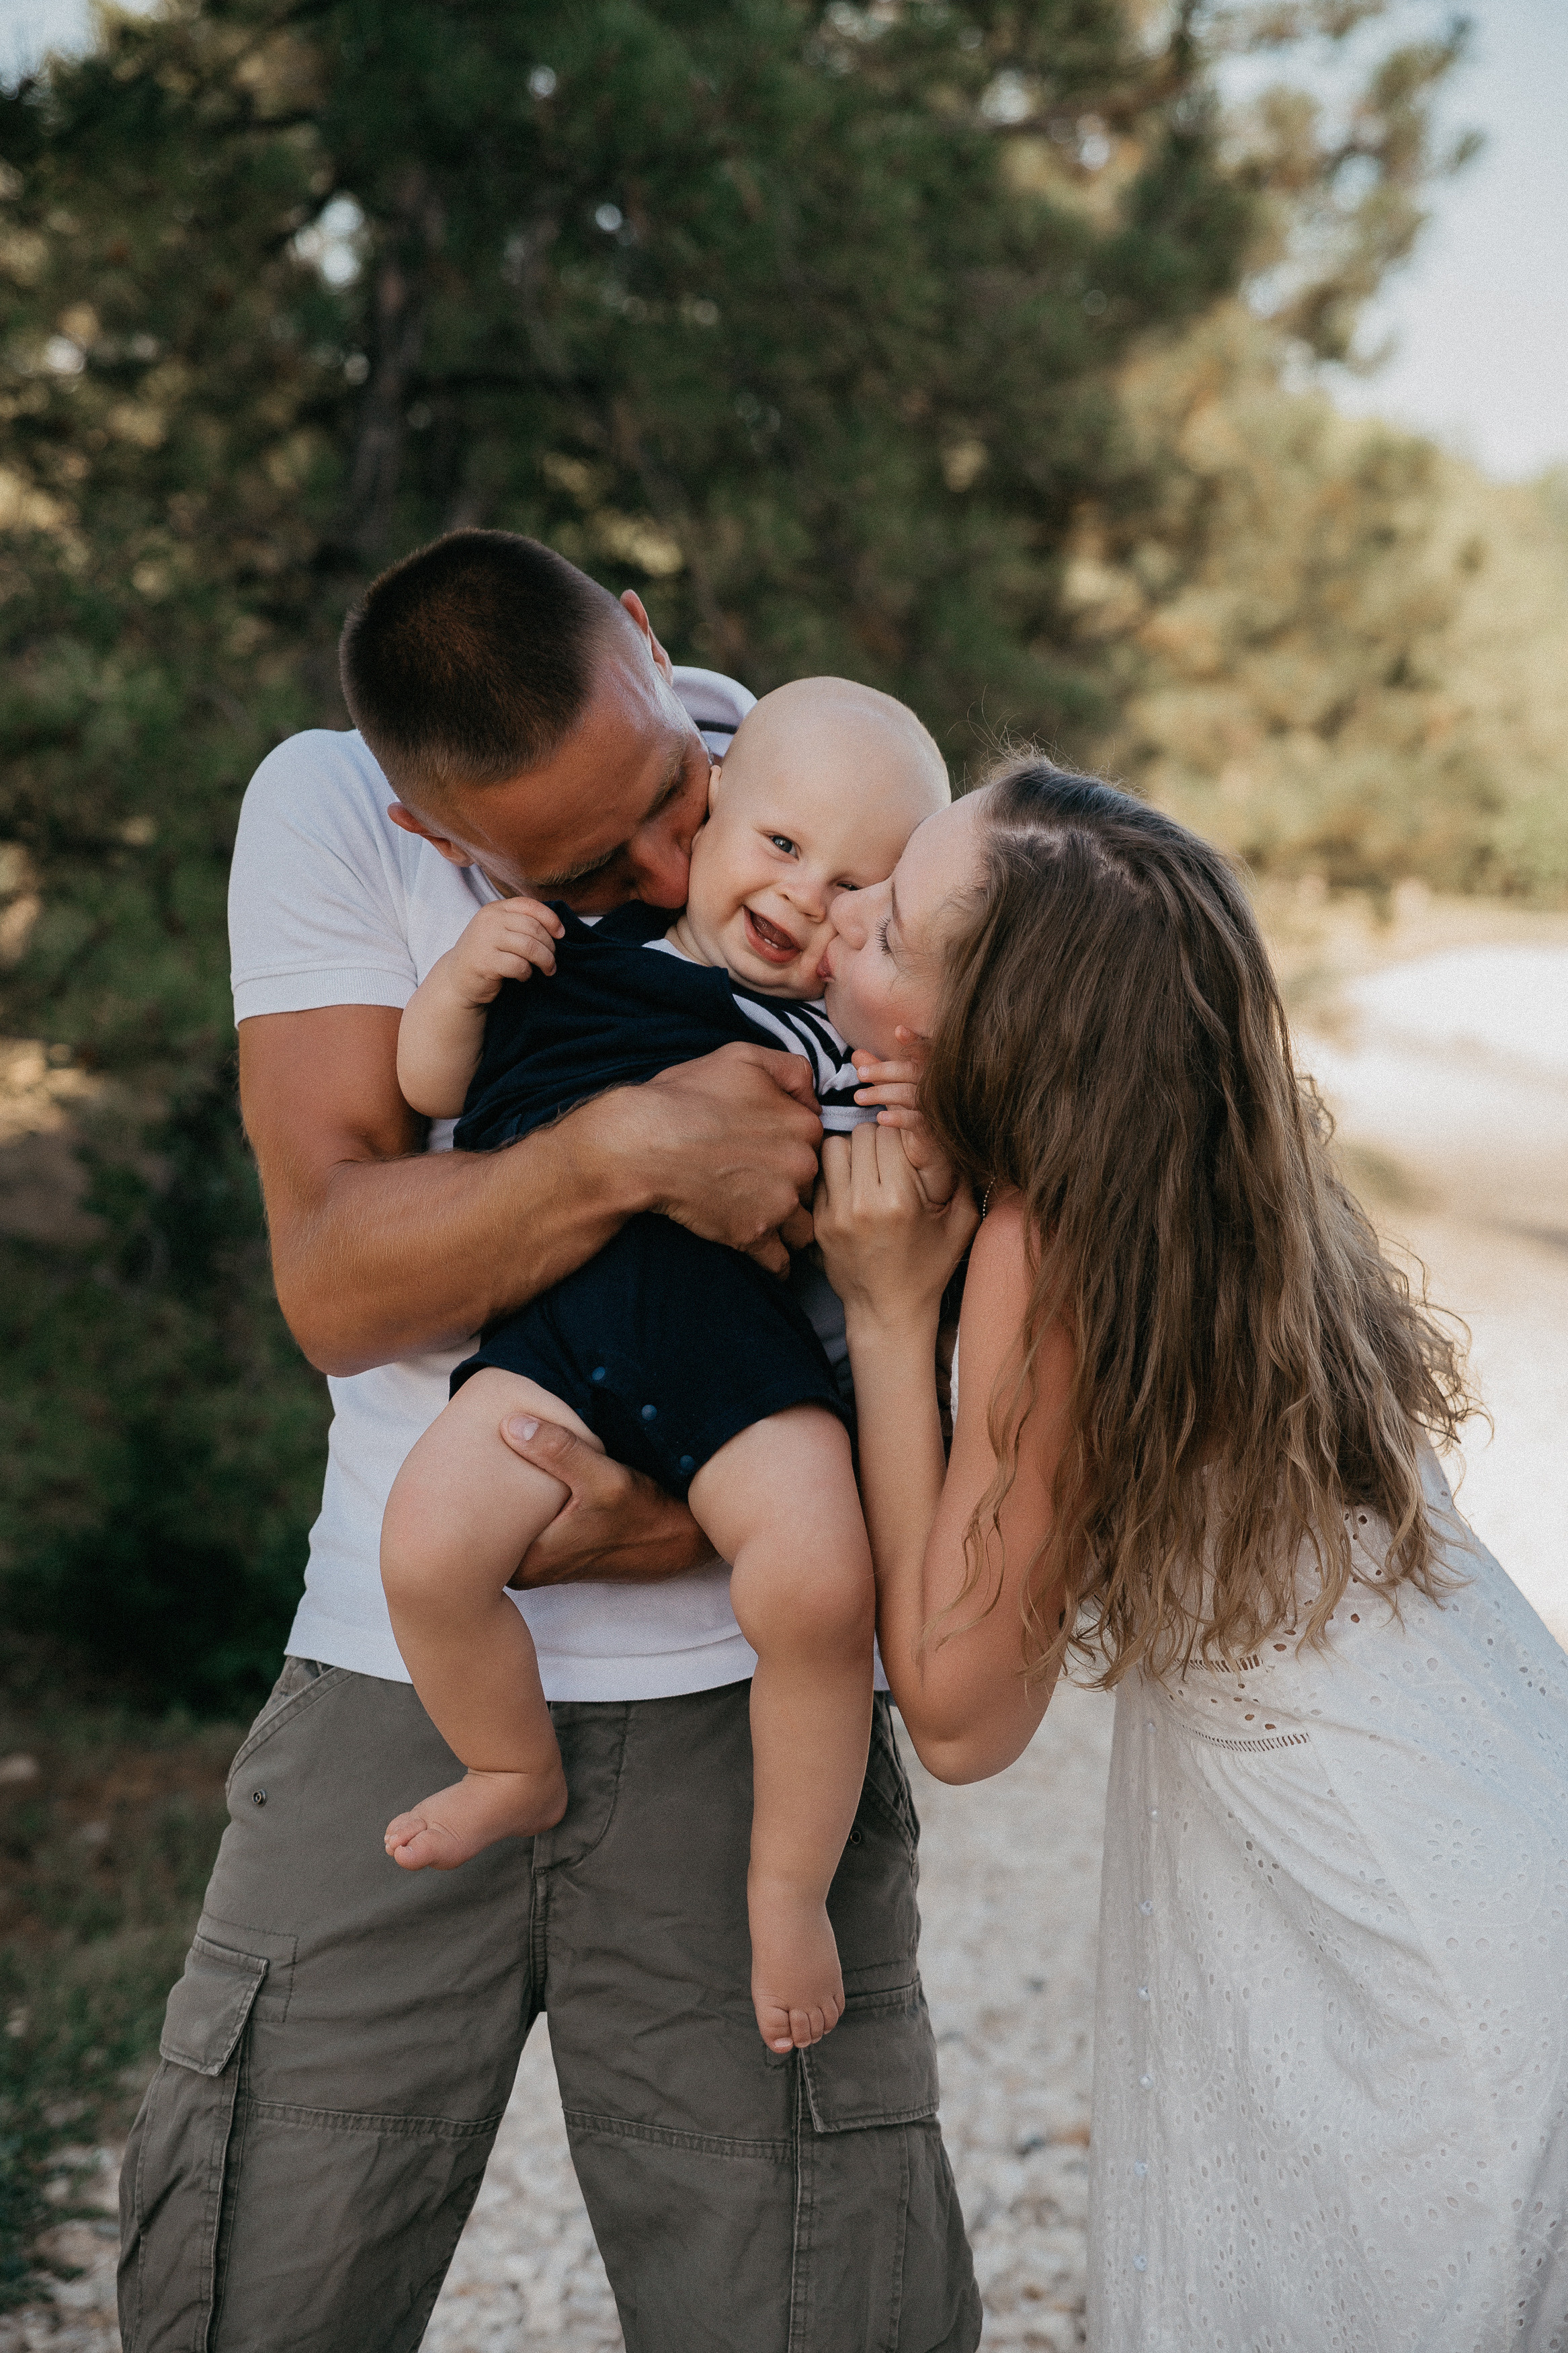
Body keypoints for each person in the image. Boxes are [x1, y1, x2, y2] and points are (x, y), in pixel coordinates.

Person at [117, 530, 981, 2353]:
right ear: (452, 847)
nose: (682, 868)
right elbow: (340, 1282)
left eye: (682, 795)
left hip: (735, 1702)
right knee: (255, 2285)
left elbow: (937, 1268)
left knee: (818, 2303)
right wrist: (624, 1150)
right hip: (393, 1687)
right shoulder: (337, 815)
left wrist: (679, 1517)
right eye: (596, 867)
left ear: (656, 649)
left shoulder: (842, 787)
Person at [811, 760, 1568, 2350]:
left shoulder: (1051, 1245)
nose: (835, 927)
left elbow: (958, 1714)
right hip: (1508, 1827)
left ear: (984, 1037)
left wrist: (887, 1314)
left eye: (885, 927)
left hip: (1397, 1938)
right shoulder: (1227, 1165)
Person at [378, 677, 952, 2061]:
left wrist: (934, 1112)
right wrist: (461, 976)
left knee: (820, 1588)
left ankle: (787, 1892)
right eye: (780, 845)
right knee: (424, 1550)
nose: (809, 896)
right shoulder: (572, 956)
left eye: (857, 885)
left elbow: (912, 1190)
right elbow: (429, 1085)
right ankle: (512, 1765)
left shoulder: (840, 1044)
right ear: (707, 821)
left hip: (735, 1363)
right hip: (557, 1350)